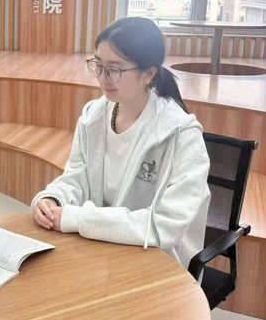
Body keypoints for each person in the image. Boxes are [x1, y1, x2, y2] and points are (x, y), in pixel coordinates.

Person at [31, 17, 210, 267]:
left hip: (157, 262)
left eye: (114, 69)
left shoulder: (180, 133)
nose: (103, 77)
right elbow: (77, 177)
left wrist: (77, 219)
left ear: (148, 74)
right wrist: (53, 199)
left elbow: (164, 226)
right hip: (100, 250)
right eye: (98, 65)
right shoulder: (93, 117)